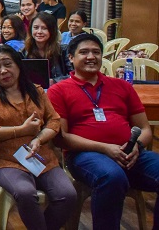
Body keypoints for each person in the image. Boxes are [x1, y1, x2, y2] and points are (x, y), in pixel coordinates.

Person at [48, 33, 159, 230]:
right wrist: (106, 148)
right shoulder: (59, 90)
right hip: (85, 156)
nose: (91, 56)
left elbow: (144, 128)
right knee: (112, 177)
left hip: (131, 154)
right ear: (71, 58)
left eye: (96, 52)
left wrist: (138, 146)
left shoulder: (122, 86)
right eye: (84, 52)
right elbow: (62, 138)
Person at [0, 45, 76, 230]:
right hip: (7, 160)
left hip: (41, 157)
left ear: (19, 66)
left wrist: (38, 139)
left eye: (8, 64)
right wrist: (22, 130)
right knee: (25, 192)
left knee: (68, 194)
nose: (3, 70)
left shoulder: (36, 91)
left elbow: (54, 121)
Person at [24, 13, 71, 83]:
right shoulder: (24, 52)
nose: (39, 32)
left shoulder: (63, 50)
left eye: (44, 28)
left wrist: (54, 81)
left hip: (58, 90)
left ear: (52, 30)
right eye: (36, 28)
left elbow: (74, 75)